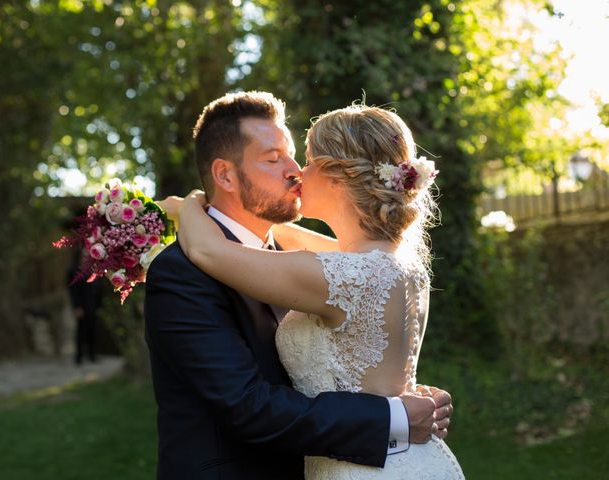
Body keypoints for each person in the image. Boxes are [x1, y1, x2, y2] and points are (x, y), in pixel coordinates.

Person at [145, 91, 454, 480]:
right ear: (224, 174)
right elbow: (248, 407)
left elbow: (214, 250)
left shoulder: (325, 269)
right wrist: (394, 414)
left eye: (299, 158)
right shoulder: (181, 273)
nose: (294, 171)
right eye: (275, 159)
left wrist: (190, 205)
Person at [68, 248, 102, 365]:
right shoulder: (74, 271)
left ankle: (92, 355)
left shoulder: (94, 270)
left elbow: (97, 290)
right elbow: (73, 291)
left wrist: (98, 304)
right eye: (84, 255)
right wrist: (77, 307)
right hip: (81, 306)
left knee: (92, 331)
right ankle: (79, 357)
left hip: (92, 305)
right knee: (80, 331)